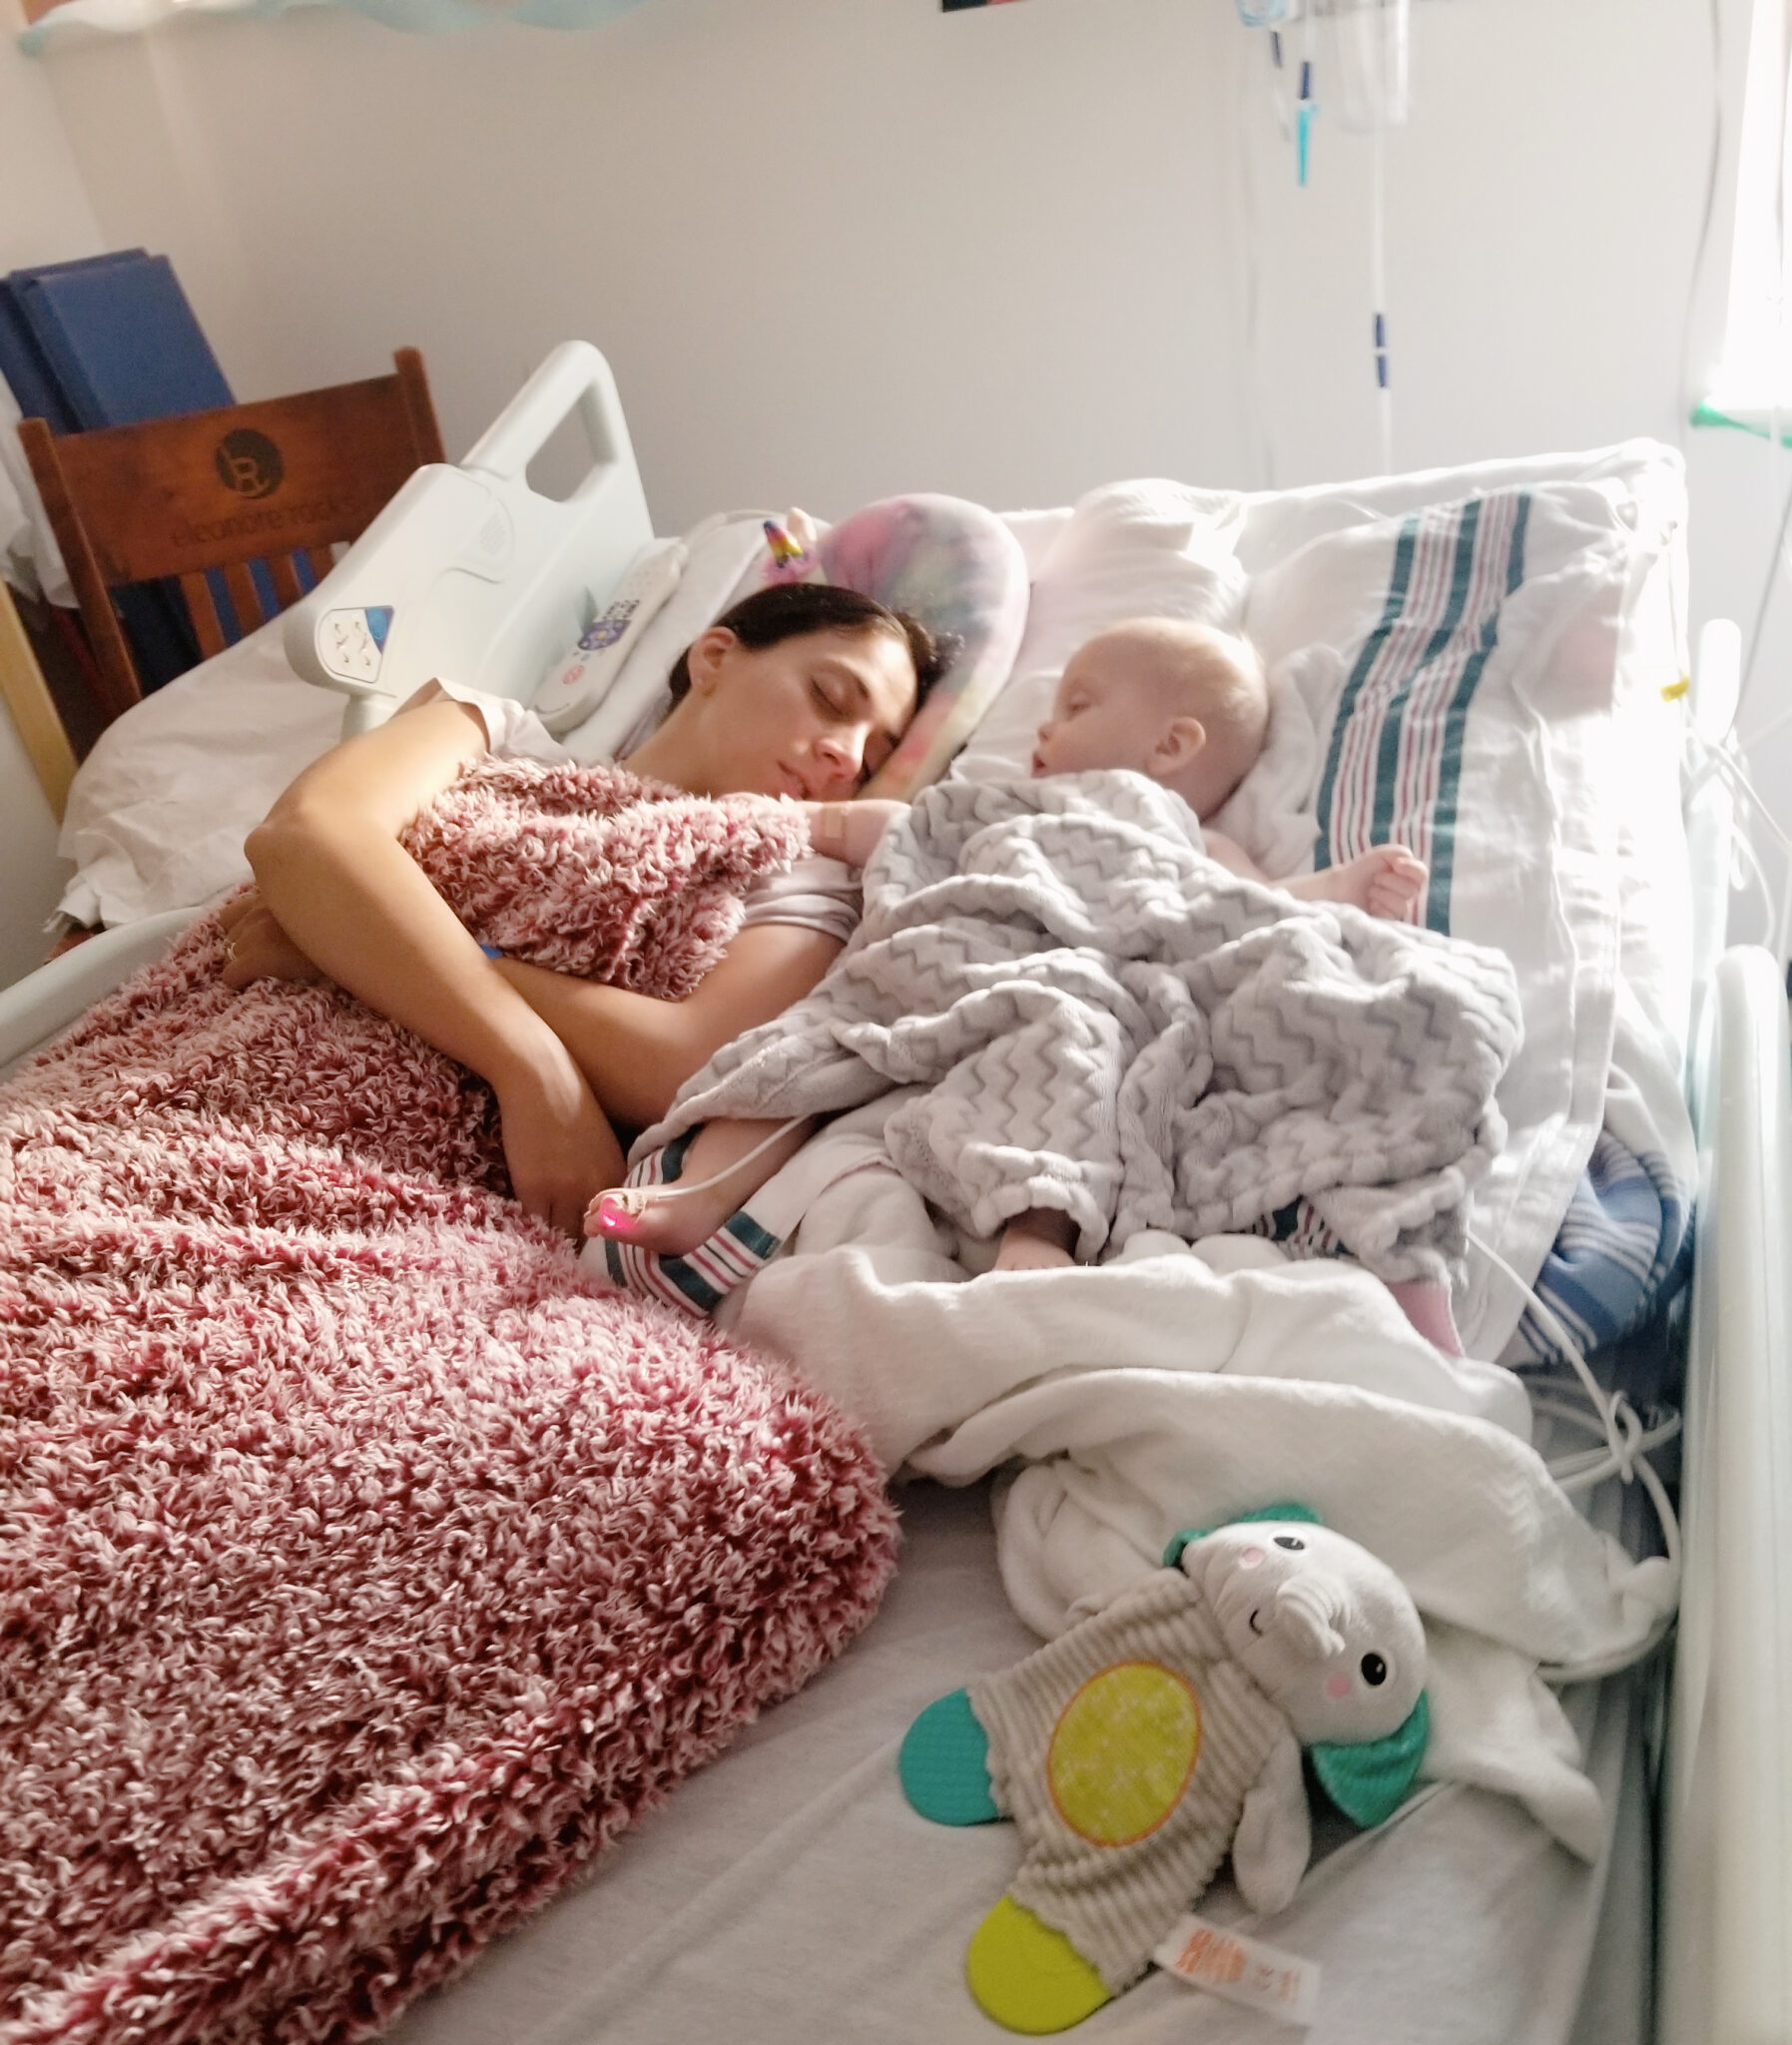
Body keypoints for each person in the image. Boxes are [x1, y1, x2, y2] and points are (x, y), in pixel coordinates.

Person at [592, 616, 1428, 1284]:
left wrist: (1345, 884)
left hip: (1073, 979)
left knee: (1072, 1059)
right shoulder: (1000, 800)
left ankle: (1037, 1233)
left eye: (1077, 705)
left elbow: (1255, 910)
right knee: (808, 1037)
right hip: (947, 950)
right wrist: (782, 821)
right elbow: (905, 830)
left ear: (1170, 746)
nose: (1046, 722)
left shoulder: (1181, 836)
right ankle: (698, 1191)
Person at [224, 582, 941, 1237]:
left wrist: (341, 948)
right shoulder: (485, 732)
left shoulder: (800, 872)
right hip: (240, 1097)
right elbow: (308, 833)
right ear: (716, 656)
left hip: (435, 1203)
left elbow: (687, 1066)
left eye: (873, 756)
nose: (845, 757)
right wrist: (534, 1065)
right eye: (830, 696)